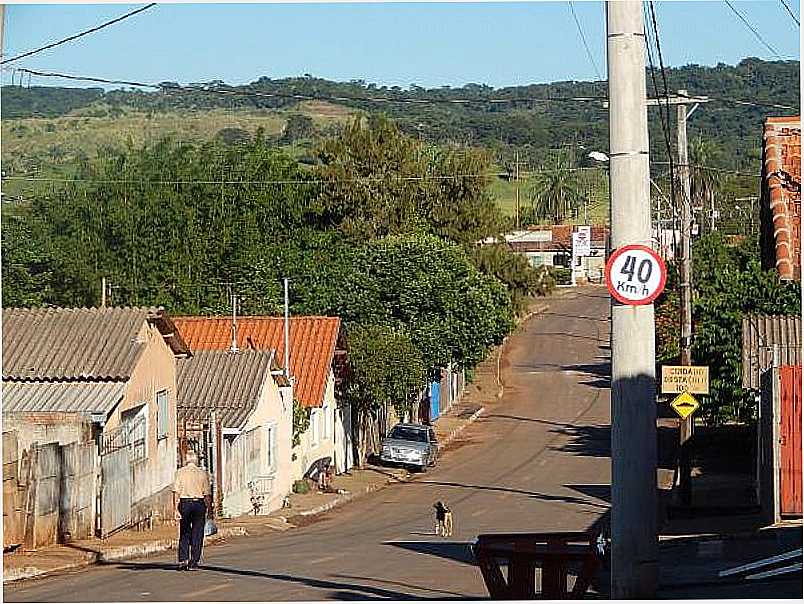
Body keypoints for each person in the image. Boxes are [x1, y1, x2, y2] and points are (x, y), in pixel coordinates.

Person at [173, 450, 212, 571]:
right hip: (199, 503)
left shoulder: (180, 473)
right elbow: (207, 495)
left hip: (184, 503)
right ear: (196, 460)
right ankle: (194, 561)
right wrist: (209, 509)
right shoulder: (202, 473)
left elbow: (176, 492)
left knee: (184, 531)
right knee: (197, 532)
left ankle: (183, 559)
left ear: (186, 460)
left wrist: (175, 509)